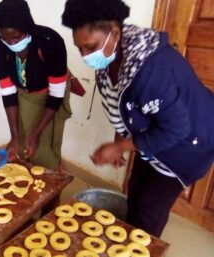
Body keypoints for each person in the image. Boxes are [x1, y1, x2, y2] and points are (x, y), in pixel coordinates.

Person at [62, 0, 214, 237]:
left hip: (187, 144)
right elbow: (121, 104)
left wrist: (120, 146)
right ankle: (130, 240)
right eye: (79, 48)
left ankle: (142, 246)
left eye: (89, 48)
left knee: (148, 209)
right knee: (135, 191)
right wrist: (120, 144)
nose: (84, 56)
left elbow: (176, 128)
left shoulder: (150, 70)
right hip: (156, 136)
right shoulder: (110, 58)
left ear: (114, 33)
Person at [0, 0, 72, 171]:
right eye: (5, 38)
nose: (11, 44)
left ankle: (53, 183)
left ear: (27, 28)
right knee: (21, 143)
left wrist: (36, 133)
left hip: (50, 97)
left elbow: (56, 94)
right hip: (24, 95)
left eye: (16, 37)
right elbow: (8, 92)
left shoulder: (50, 42)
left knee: (45, 149)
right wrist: (14, 137)